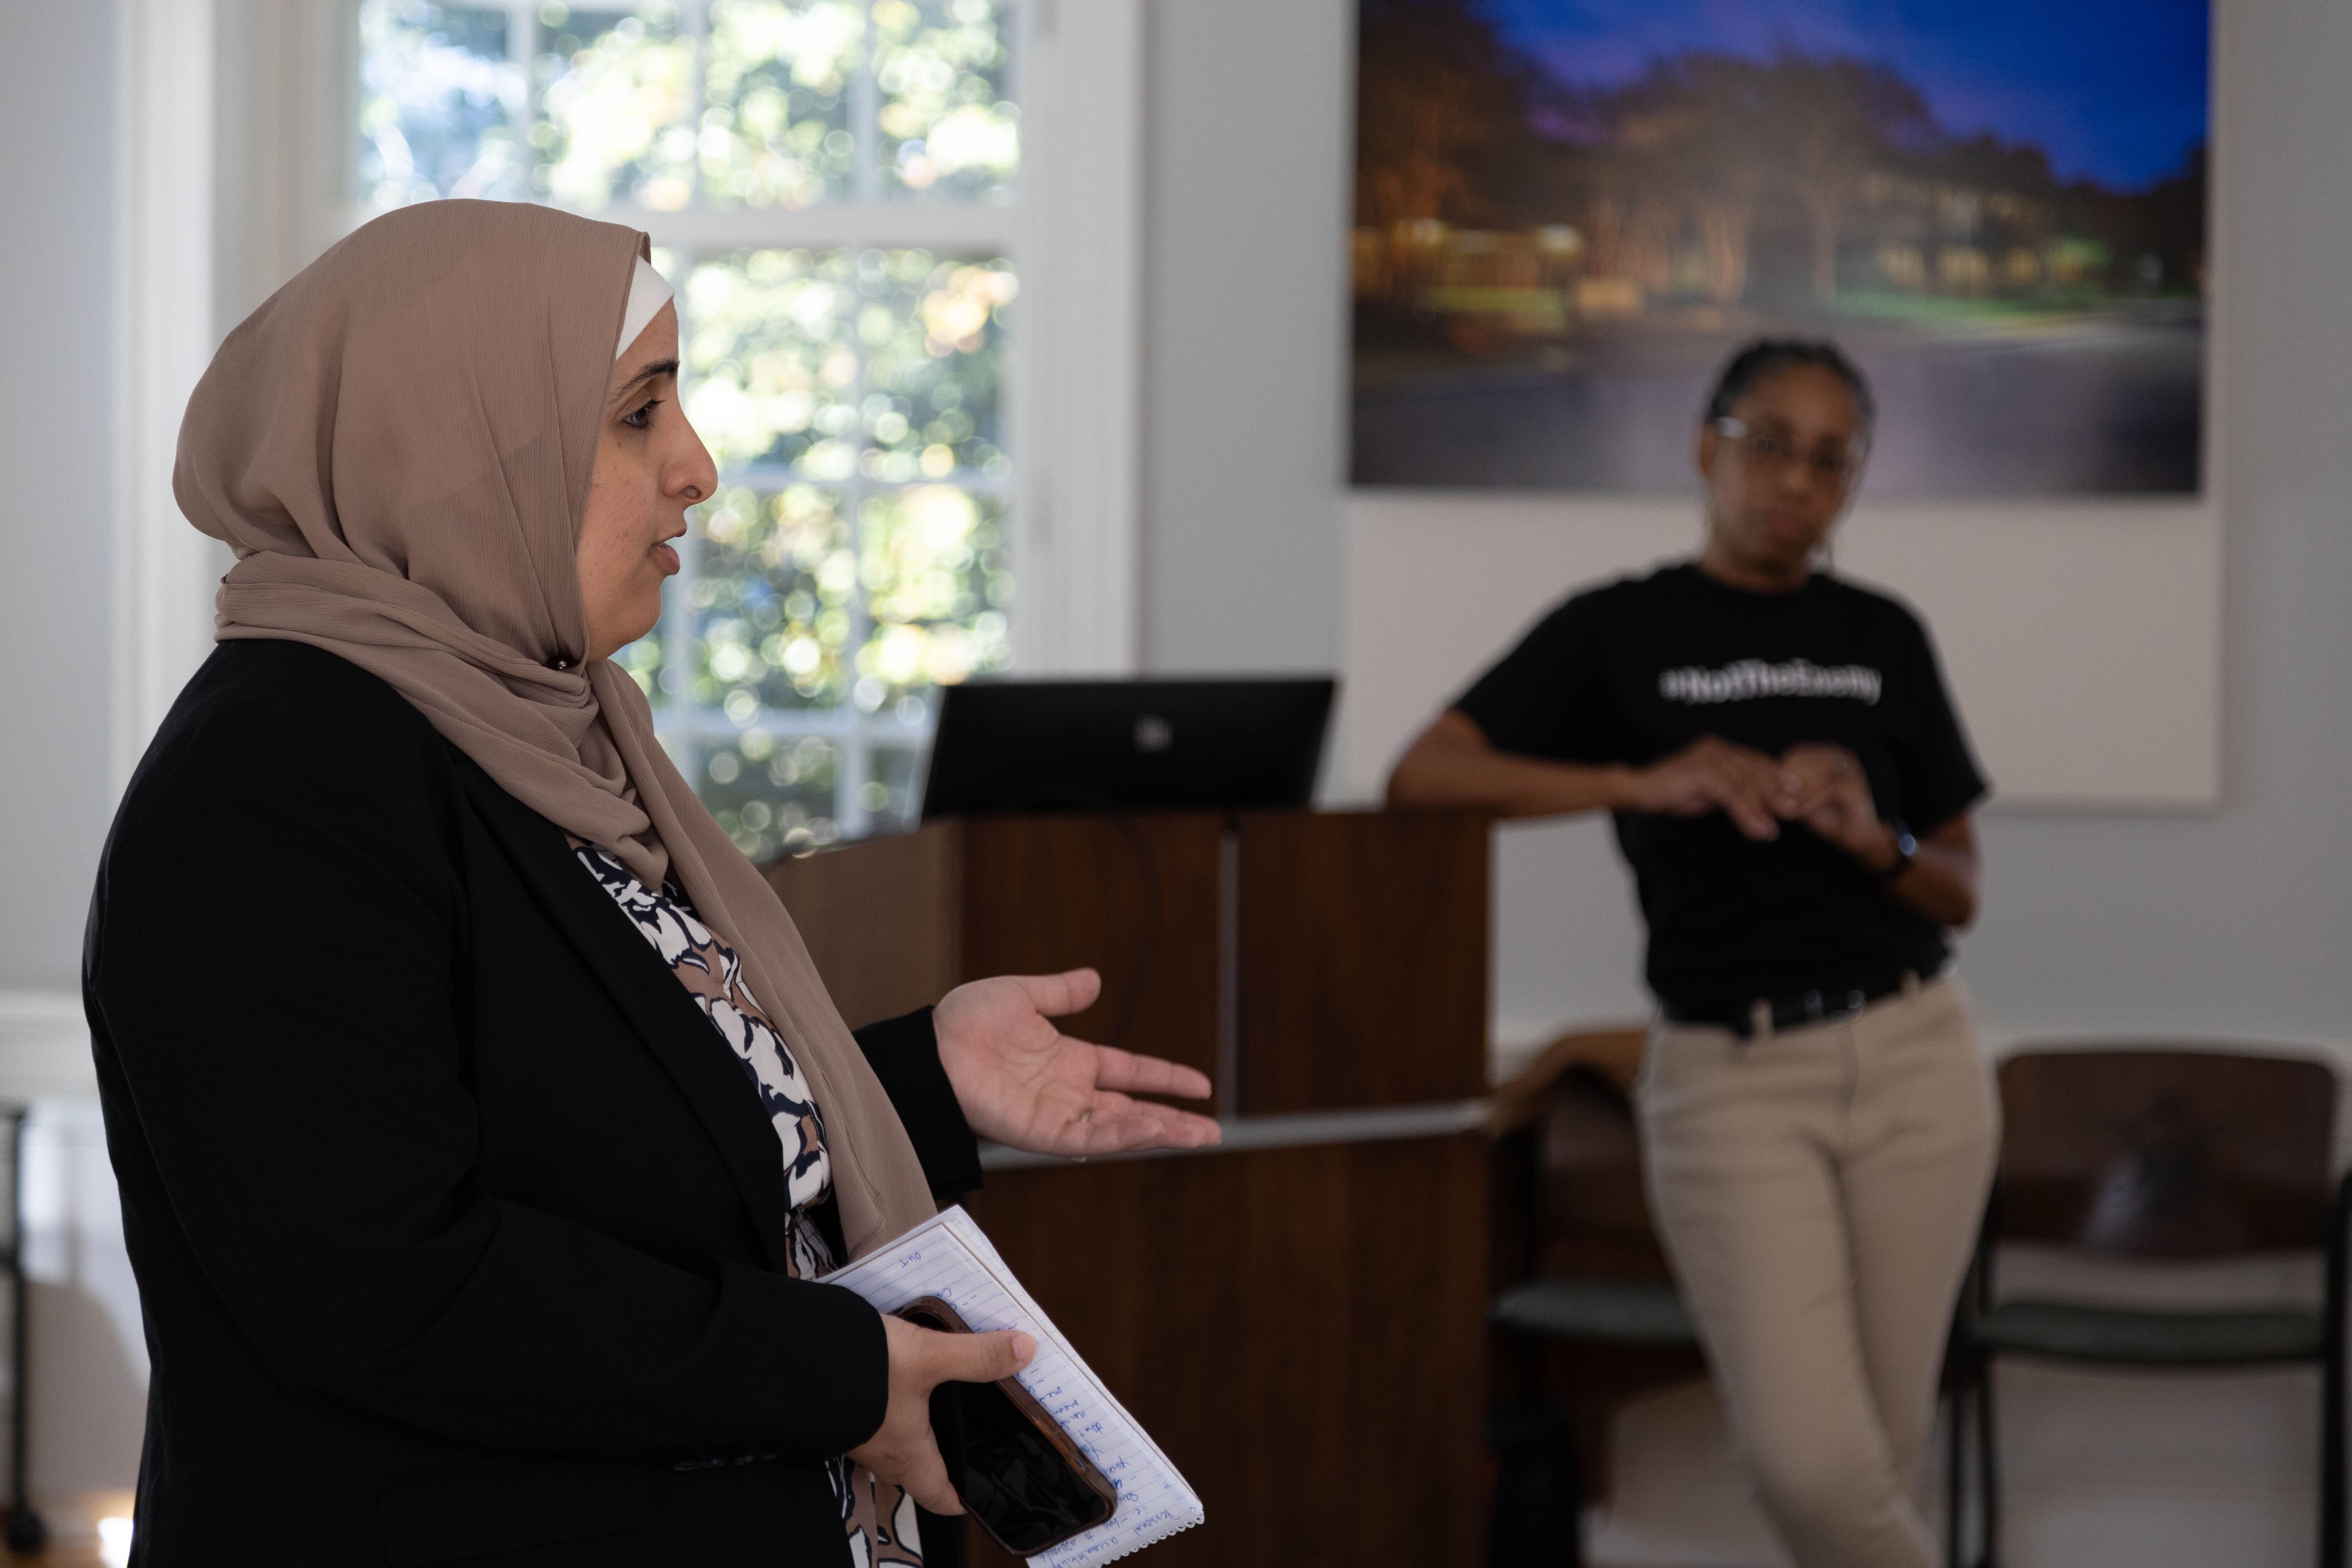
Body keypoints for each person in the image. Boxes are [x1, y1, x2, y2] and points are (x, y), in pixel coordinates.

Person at [84, 199, 1219, 1566]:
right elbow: (386, 1283)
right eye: (638, 413)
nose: (698, 468)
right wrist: (839, 1377)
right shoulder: (277, 778)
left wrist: (921, 1078)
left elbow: (586, 1128)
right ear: (460, 446)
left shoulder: (537, 728)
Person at [1388, 340, 1996, 1568]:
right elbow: (1424, 778)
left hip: (1920, 1062)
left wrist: (1869, 833)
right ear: (1706, 446)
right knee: (1815, 1471)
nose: (1796, 481)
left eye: (1832, 459)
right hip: (1734, 1079)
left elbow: (1960, 886)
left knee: (1880, 1461)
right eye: (1769, 441)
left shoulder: (1883, 634)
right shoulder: (1620, 627)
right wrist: (1639, 779)